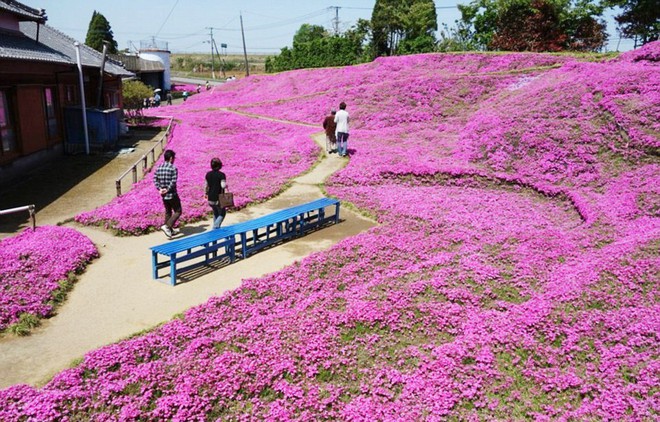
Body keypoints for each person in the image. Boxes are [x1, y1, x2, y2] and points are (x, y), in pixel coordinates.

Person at [153, 149, 181, 238]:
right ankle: (167, 226)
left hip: (163, 195)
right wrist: (167, 189)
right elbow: (173, 181)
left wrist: (160, 189)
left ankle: (170, 231)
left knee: (168, 211)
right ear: (171, 158)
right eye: (174, 158)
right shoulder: (173, 168)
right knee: (178, 211)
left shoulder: (159, 167)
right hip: (172, 194)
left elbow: (155, 179)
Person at [204, 157, 228, 229]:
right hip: (218, 199)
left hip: (210, 198)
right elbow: (223, 185)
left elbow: (206, 186)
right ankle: (215, 228)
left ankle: (215, 233)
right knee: (222, 213)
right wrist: (226, 185)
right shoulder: (221, 175)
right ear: (219, 165)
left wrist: (205, 193)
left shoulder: (208, 174)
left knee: (216, 213)